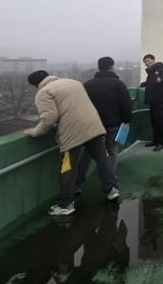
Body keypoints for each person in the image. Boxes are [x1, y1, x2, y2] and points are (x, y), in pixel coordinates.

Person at [24, 70, 119, 216]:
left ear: (36, 85)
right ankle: (112, 189)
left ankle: (66, 204)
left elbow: (49, 118)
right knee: (103, 160)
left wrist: (36, 132)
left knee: (67, 168)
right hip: (93, 126)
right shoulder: (74, 82)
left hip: (72, 132)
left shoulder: (44, 92)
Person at [75, 56, 132, 194]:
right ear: (112, 66)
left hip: (92, 126)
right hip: (112, 124)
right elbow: (125, 104)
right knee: (111, 151)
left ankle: (78, 185)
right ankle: (111, 186)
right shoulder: (118, 84)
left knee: (87, 153)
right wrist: (126, 121)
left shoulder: (87, 85)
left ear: (99, 67)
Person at [139, 54, 163, 151]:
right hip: (153, 100)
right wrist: (144, 84)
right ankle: (156, 140)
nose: (147, 63)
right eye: (145, 62)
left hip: (159, 100)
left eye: (148, 60)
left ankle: (161, 143)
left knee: (159, 122)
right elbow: (152, 81)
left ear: (153, 60)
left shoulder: (159, 68)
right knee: (154, 121)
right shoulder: (152, 71)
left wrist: (160, 80)